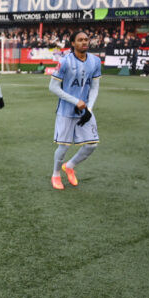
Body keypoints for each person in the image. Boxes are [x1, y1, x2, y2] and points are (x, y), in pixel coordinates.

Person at [49, 31, 101, 190]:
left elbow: (94, 87)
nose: (84, 42)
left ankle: (69, 166)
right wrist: (76, 101)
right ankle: (56, 174)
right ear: (73, 43)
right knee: (64, 146)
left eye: (86, 39)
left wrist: (89, 108)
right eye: (80, 40)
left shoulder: (95, 61)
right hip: (66, 111)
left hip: (85, 111)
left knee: (92, 144)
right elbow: (53, 87)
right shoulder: (64, 61)